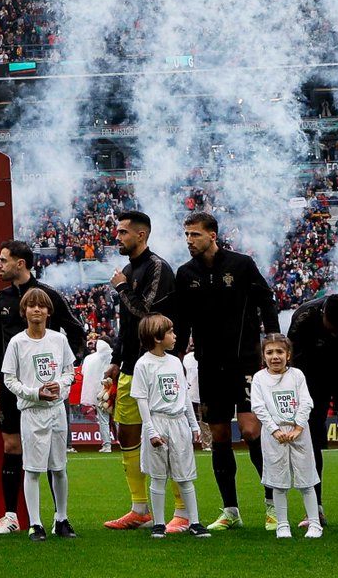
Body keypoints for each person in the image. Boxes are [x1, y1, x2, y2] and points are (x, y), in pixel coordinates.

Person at [173, 211, 280, 531]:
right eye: (187, 235)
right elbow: (182, 320)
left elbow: (267, 301)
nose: (189, 240)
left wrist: (272, 338)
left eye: (195, 235)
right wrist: (176, 356)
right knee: (218, 436)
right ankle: (231, 510)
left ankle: (273, 505)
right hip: (208, 364)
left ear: (212, 236)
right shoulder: (185, 273)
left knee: (250, 430)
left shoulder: (241, 264)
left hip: (245, 360)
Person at [0, 239, 86, 535]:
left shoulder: (49, 296)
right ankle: (12, 516)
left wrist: (66, 369)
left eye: (3, 260)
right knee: (12, 446)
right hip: (14, 387)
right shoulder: (2, 299)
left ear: (20, 263)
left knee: (54, 458)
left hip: (50, 391)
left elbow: (76, 330)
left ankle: (60, 518)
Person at [104, 210, 187, 532]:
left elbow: (147, 314)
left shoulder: (157, 268)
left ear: (141, 235)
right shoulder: (128, 269)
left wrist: (123, 288)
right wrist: (115, 358)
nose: (118, 237)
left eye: (123, 232)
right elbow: (127, 325)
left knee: (167, 438)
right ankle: (140, 509)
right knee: (127, 434)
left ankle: (181, 510)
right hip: (129, 367)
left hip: (157, 366)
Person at [0, 288, 76, 542]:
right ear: (24, 312)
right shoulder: (17, 343)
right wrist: (34, 393)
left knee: (59, 468)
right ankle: (35, 523)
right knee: (32, 469)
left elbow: (69, 372)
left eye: (41, 306)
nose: (36, 310)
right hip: (32, 412)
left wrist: (60, 387)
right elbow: (9, 379)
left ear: (48, 311)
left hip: (56, 411)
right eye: (31, 306)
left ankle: (62, 519)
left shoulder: (58, 340)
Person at [287, 293, 338, 523]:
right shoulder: (303, 317)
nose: (335, 332)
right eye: (331, 327)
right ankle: (315, 509)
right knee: (311, 442)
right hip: (313, 378)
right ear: (323, 314)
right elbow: (293, 363)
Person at [130, 314, 210, 539]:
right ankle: (159, 523)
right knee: (158, 477)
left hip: (178, 423)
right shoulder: (143, 364)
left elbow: (183, 395)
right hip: (157, 420)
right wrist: (151, 430)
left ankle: (194, 521)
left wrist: (193, 424)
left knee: (185, 476)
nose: (175, 336)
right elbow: (142, 400)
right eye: (170, 332)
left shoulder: (175, 361)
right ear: (157, 337)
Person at [250, 334, 322, 539]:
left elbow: (306, 402)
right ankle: (282, 524)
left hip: (299, 433)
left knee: (307, 480)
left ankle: (314, 523)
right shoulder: (259, 378)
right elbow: (258, 407)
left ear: (288, 354)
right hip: (274, 435)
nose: (275, 357)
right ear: (263, 356)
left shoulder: (297, 375)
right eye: (270, 352)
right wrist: (275, 430)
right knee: (278, 482)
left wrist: (298, 428)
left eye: (279, 352)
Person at [79, 334, 113, 452]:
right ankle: (124, 443)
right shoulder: (111, 356)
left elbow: (83, 372)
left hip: (99, 393)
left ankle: (107, 445)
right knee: (118, 418)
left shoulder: (89, 358)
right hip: (113, 390)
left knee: (103, 419)